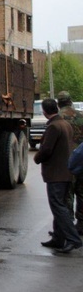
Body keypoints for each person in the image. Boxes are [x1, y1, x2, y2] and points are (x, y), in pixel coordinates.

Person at [34, 98, 82, 253]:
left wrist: (36, 158)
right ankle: (58, 239)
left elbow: (46, 150)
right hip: (66, 172)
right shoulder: (65, 124)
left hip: (56, 174)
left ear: (45, 111)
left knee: (58, 206)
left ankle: (73, 239)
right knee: (59, 205)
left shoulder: (54, 126)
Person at [57, 91, 83, 233]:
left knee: (67, 193)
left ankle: (67, 225)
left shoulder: (58, 118)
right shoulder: (80, 116)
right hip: (82, 159)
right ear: (70, 101)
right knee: (81, 191)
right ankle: (82, 223)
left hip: (66, 160)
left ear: (59, 103)